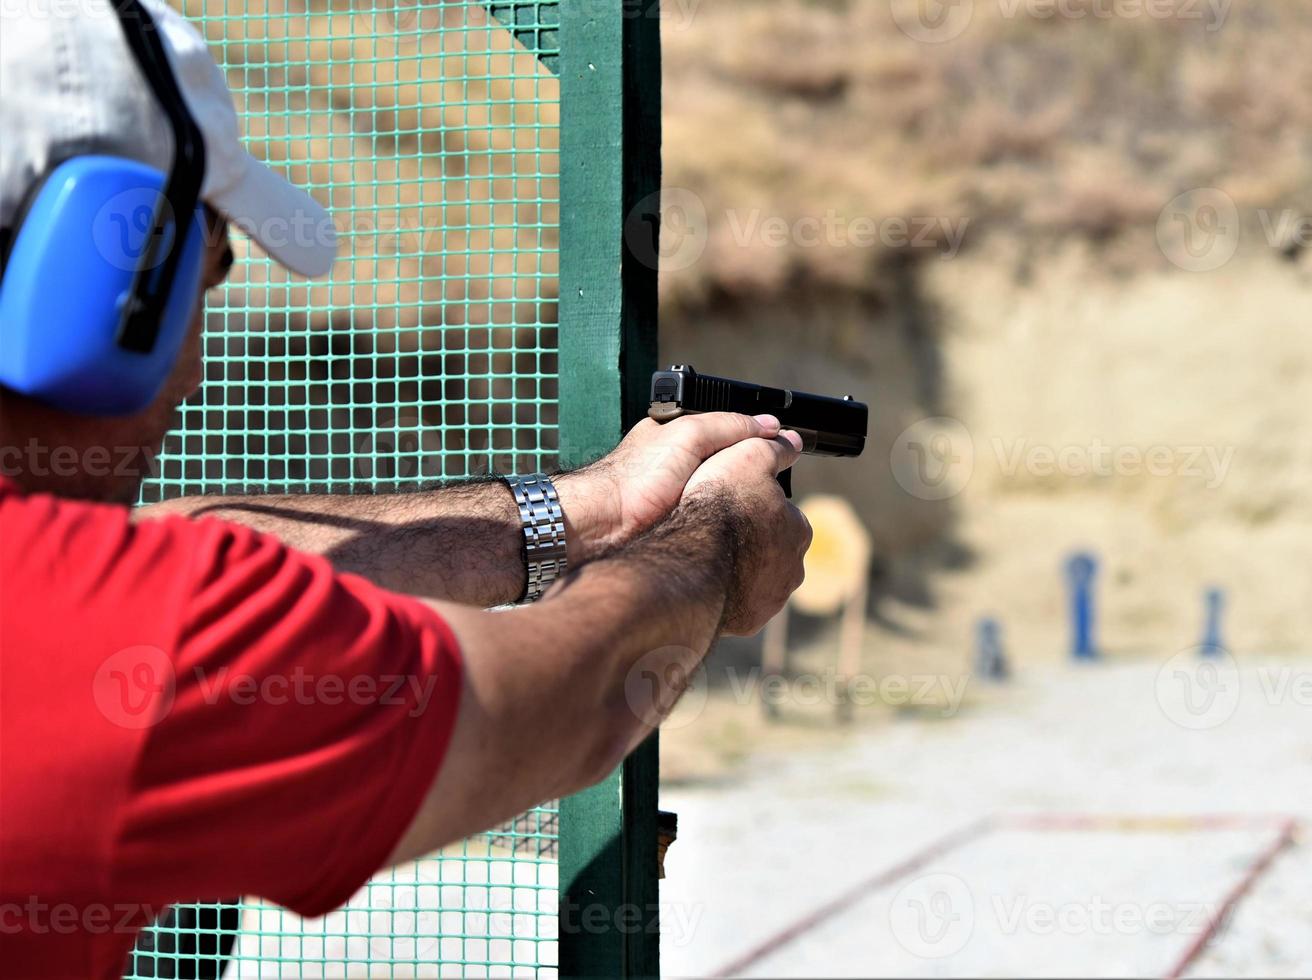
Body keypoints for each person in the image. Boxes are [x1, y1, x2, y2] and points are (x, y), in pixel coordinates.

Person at [0, 0, 812, 975]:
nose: (197, 371)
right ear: (108, 285)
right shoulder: (113, 637)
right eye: (203, 273)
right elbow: (564, 699)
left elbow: (187, 550)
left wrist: (596, 506)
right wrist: (714, 542)